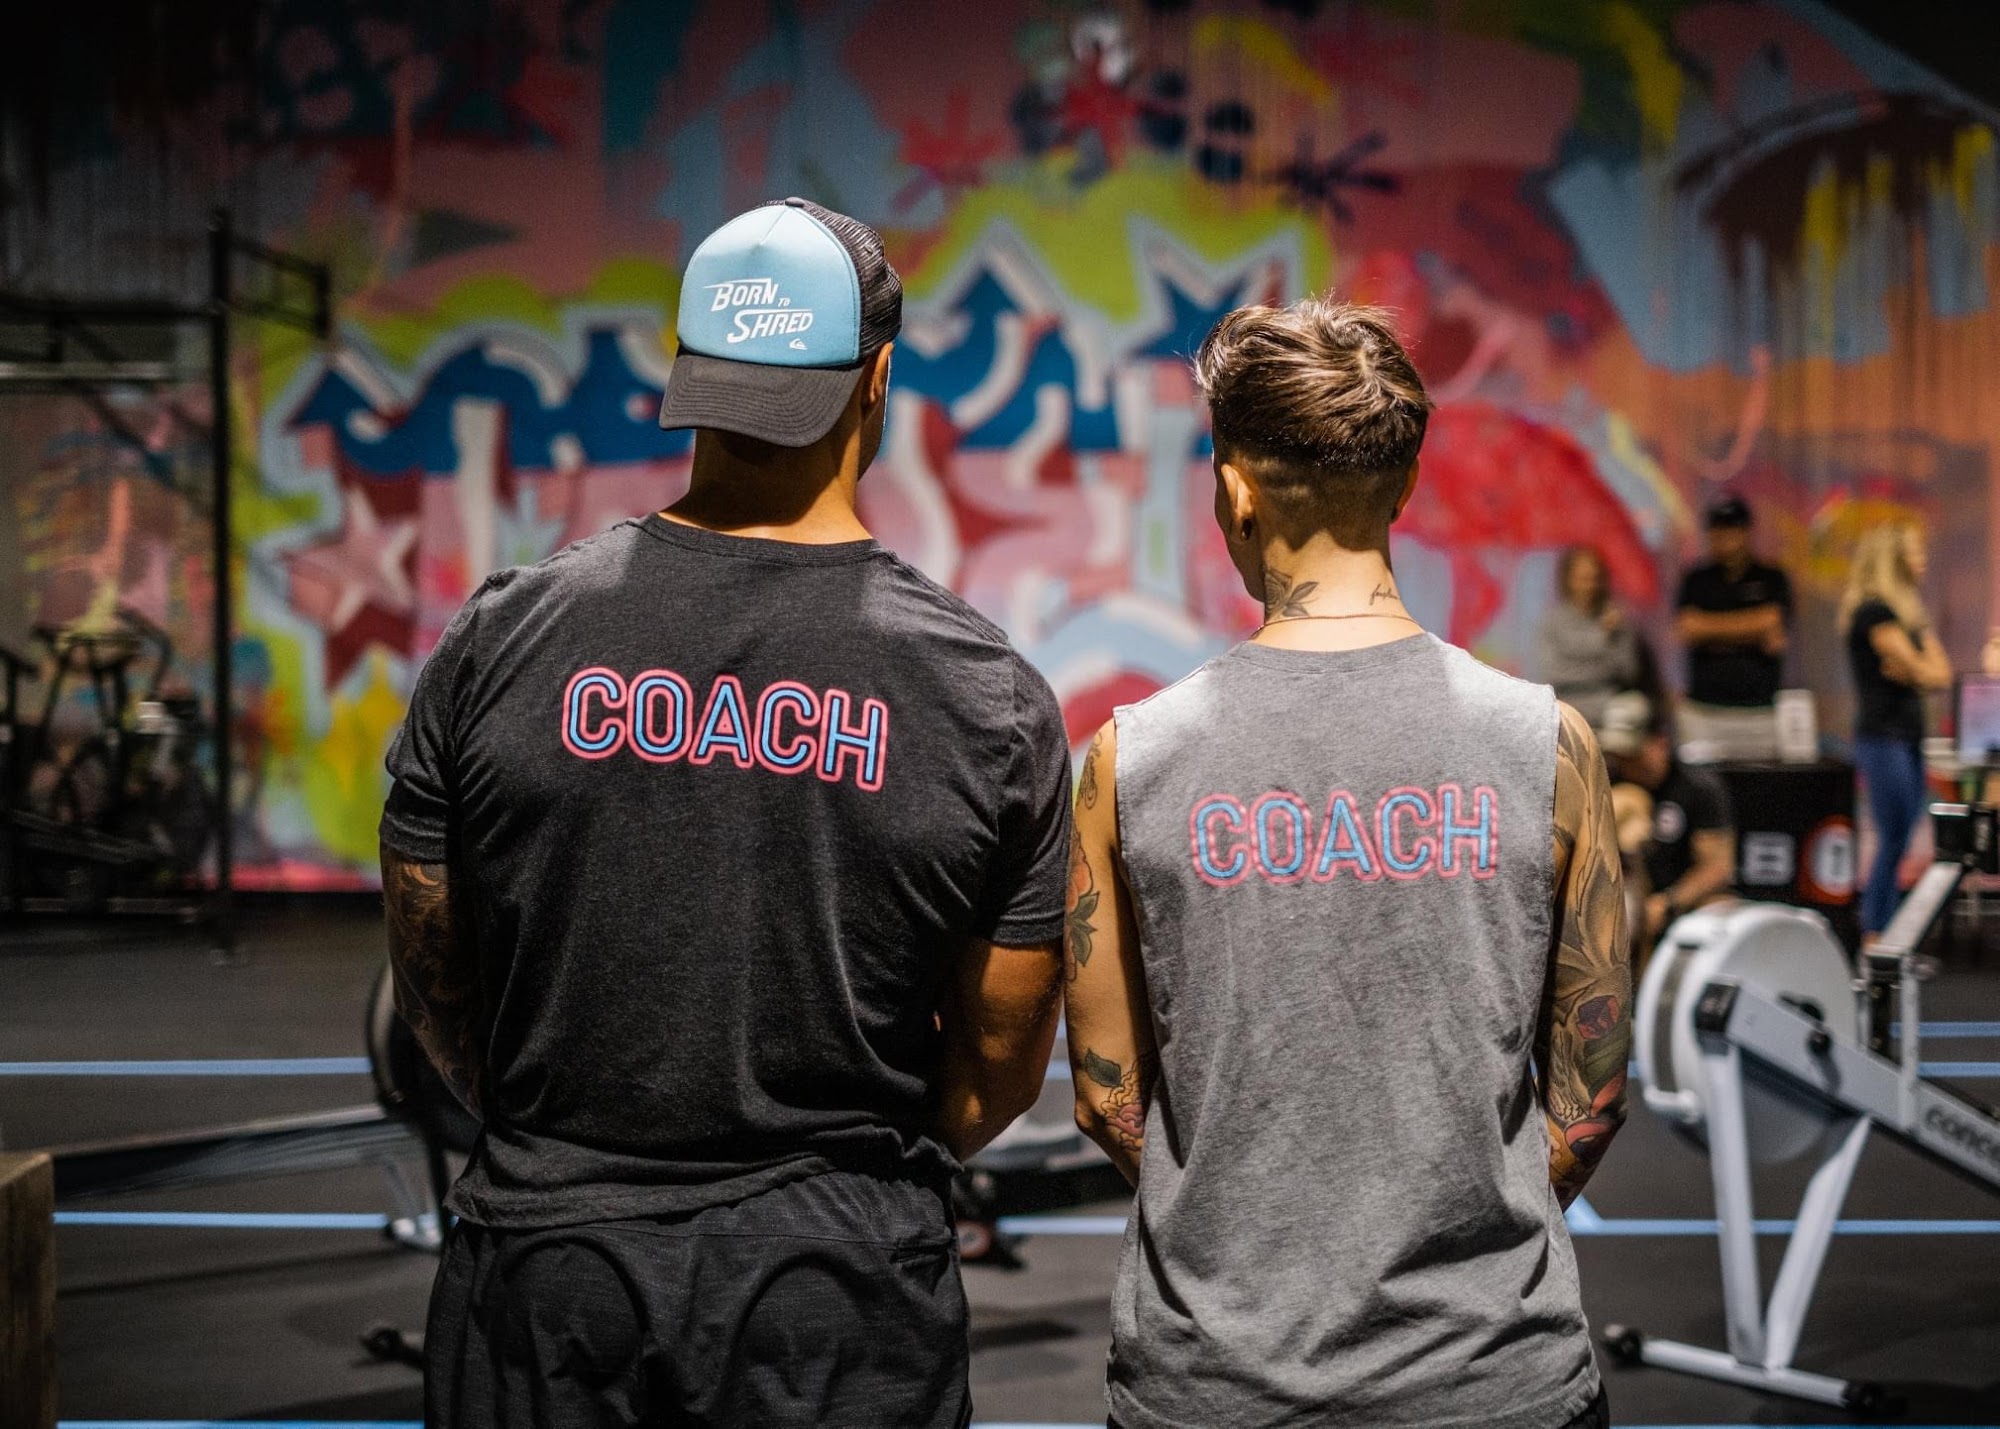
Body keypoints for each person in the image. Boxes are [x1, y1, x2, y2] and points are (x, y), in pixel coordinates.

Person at [380, 198, 1073, 1428]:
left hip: (546, 1279)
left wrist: (563, 1148)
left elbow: (431, 969)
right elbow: (1000, 1066)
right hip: (838, 1294)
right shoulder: (983, 696)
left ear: (690, 371)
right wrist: (846, 1184)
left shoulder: (499, 637)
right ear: (876, 380)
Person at [1063, 298, 1629, 1429]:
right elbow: (1590, 1093)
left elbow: (1107, 1095)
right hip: (1493, 1379)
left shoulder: (1130, 758)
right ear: (1402, 487)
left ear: (1233, 491)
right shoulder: (1548, 743)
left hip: (1215, 1385)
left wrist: (1251, 1230)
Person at [1841, 521, 1953, 938]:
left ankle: (1886, 928)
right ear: (1895, 560)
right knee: (1893, 833)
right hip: (1882, 736)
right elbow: (1923, 671)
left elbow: (1939, 674)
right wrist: (1917, 670)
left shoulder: (1909, 616)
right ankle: (1875, 929)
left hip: (1907, 735)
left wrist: (1915, 669)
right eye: (1915, 552)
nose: (1923, 561)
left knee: (1902, 833)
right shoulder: (1873, 612)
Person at [1597, 691, 1737, 943]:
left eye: (1634, 753)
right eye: (1619, 755)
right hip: (1625, 897)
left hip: (1683, 900)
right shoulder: (1609, 782)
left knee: (1719, 909)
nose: (1626, 763)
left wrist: (1669, 903)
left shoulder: (1697, 787)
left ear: (1661, 742)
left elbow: (1718, 867)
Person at [1675, 495, 1792, 761]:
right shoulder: (1697, 579)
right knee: (1703, 782)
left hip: (1760, 711)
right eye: (1718, 531)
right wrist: (1752, 628)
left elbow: (1773, 623)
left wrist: (1710, 629)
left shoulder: (1771, 578)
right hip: (1705, 710)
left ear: (1746, 532)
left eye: (1731, 530)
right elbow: (1688, 628)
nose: (1724, 539)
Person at [1535, 544, 1642, 727]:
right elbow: (1552, 673)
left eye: (1595, 578)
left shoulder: (1615, 620)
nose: (1590, 586)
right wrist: (1602, 640)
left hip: (1610, 705)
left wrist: (1610, 638)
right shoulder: (1552, 622)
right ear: (1568, 580)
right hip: (1566, 705)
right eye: (1583, 579)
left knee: (1636, 709)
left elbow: (1628, 671)